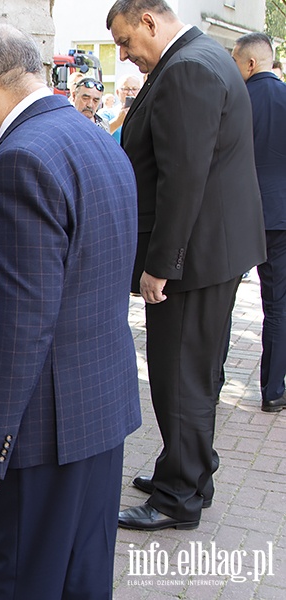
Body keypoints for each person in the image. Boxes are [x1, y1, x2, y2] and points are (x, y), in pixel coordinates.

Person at [0, 22, 141, 598]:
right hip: (96, 411)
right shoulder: (94, 136)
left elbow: (17, 325)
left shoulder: (18, 162)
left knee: (24, 582)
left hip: (38, 433)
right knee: (82, 578)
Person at [107, 0, 266, 531]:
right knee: (194, 374)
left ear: (149, 21)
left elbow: (183, 178)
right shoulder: (201, 58)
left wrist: (161, 266)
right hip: (209, 252)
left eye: (126, 41)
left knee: (179, 379)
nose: (125, 55)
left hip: (193, 259)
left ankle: (179, 497)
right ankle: (190, 470)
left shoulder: (189, 68)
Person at [232, 33, 286, 413]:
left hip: (237, 214)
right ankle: (273, 391)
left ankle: (212, 382)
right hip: (281, 217)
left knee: (220, 304)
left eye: (235, 62)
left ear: (250, 64)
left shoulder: (235, 101)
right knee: (279, 304)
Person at [109, 74, 143, 142]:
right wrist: (118, 121)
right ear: (117, 92)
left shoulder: (146, 114)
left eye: (134, 89)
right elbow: (99, 135)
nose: (130, 93)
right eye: (126, 89)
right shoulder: (107, 114)